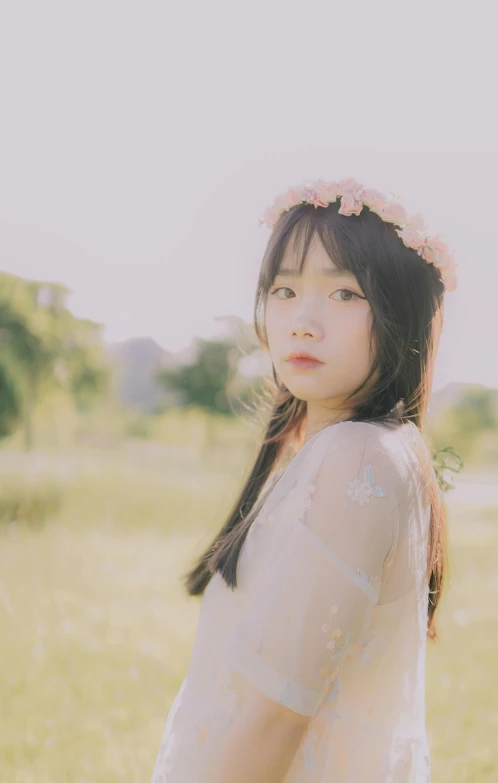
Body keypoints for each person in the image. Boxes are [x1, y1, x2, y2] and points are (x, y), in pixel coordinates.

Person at [151, 177, 460, 782]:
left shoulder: (358, 457)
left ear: (400, 314)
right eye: (285, 289)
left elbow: (276, 718)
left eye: (345, 293)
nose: (304, 320)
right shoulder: (357, 451)